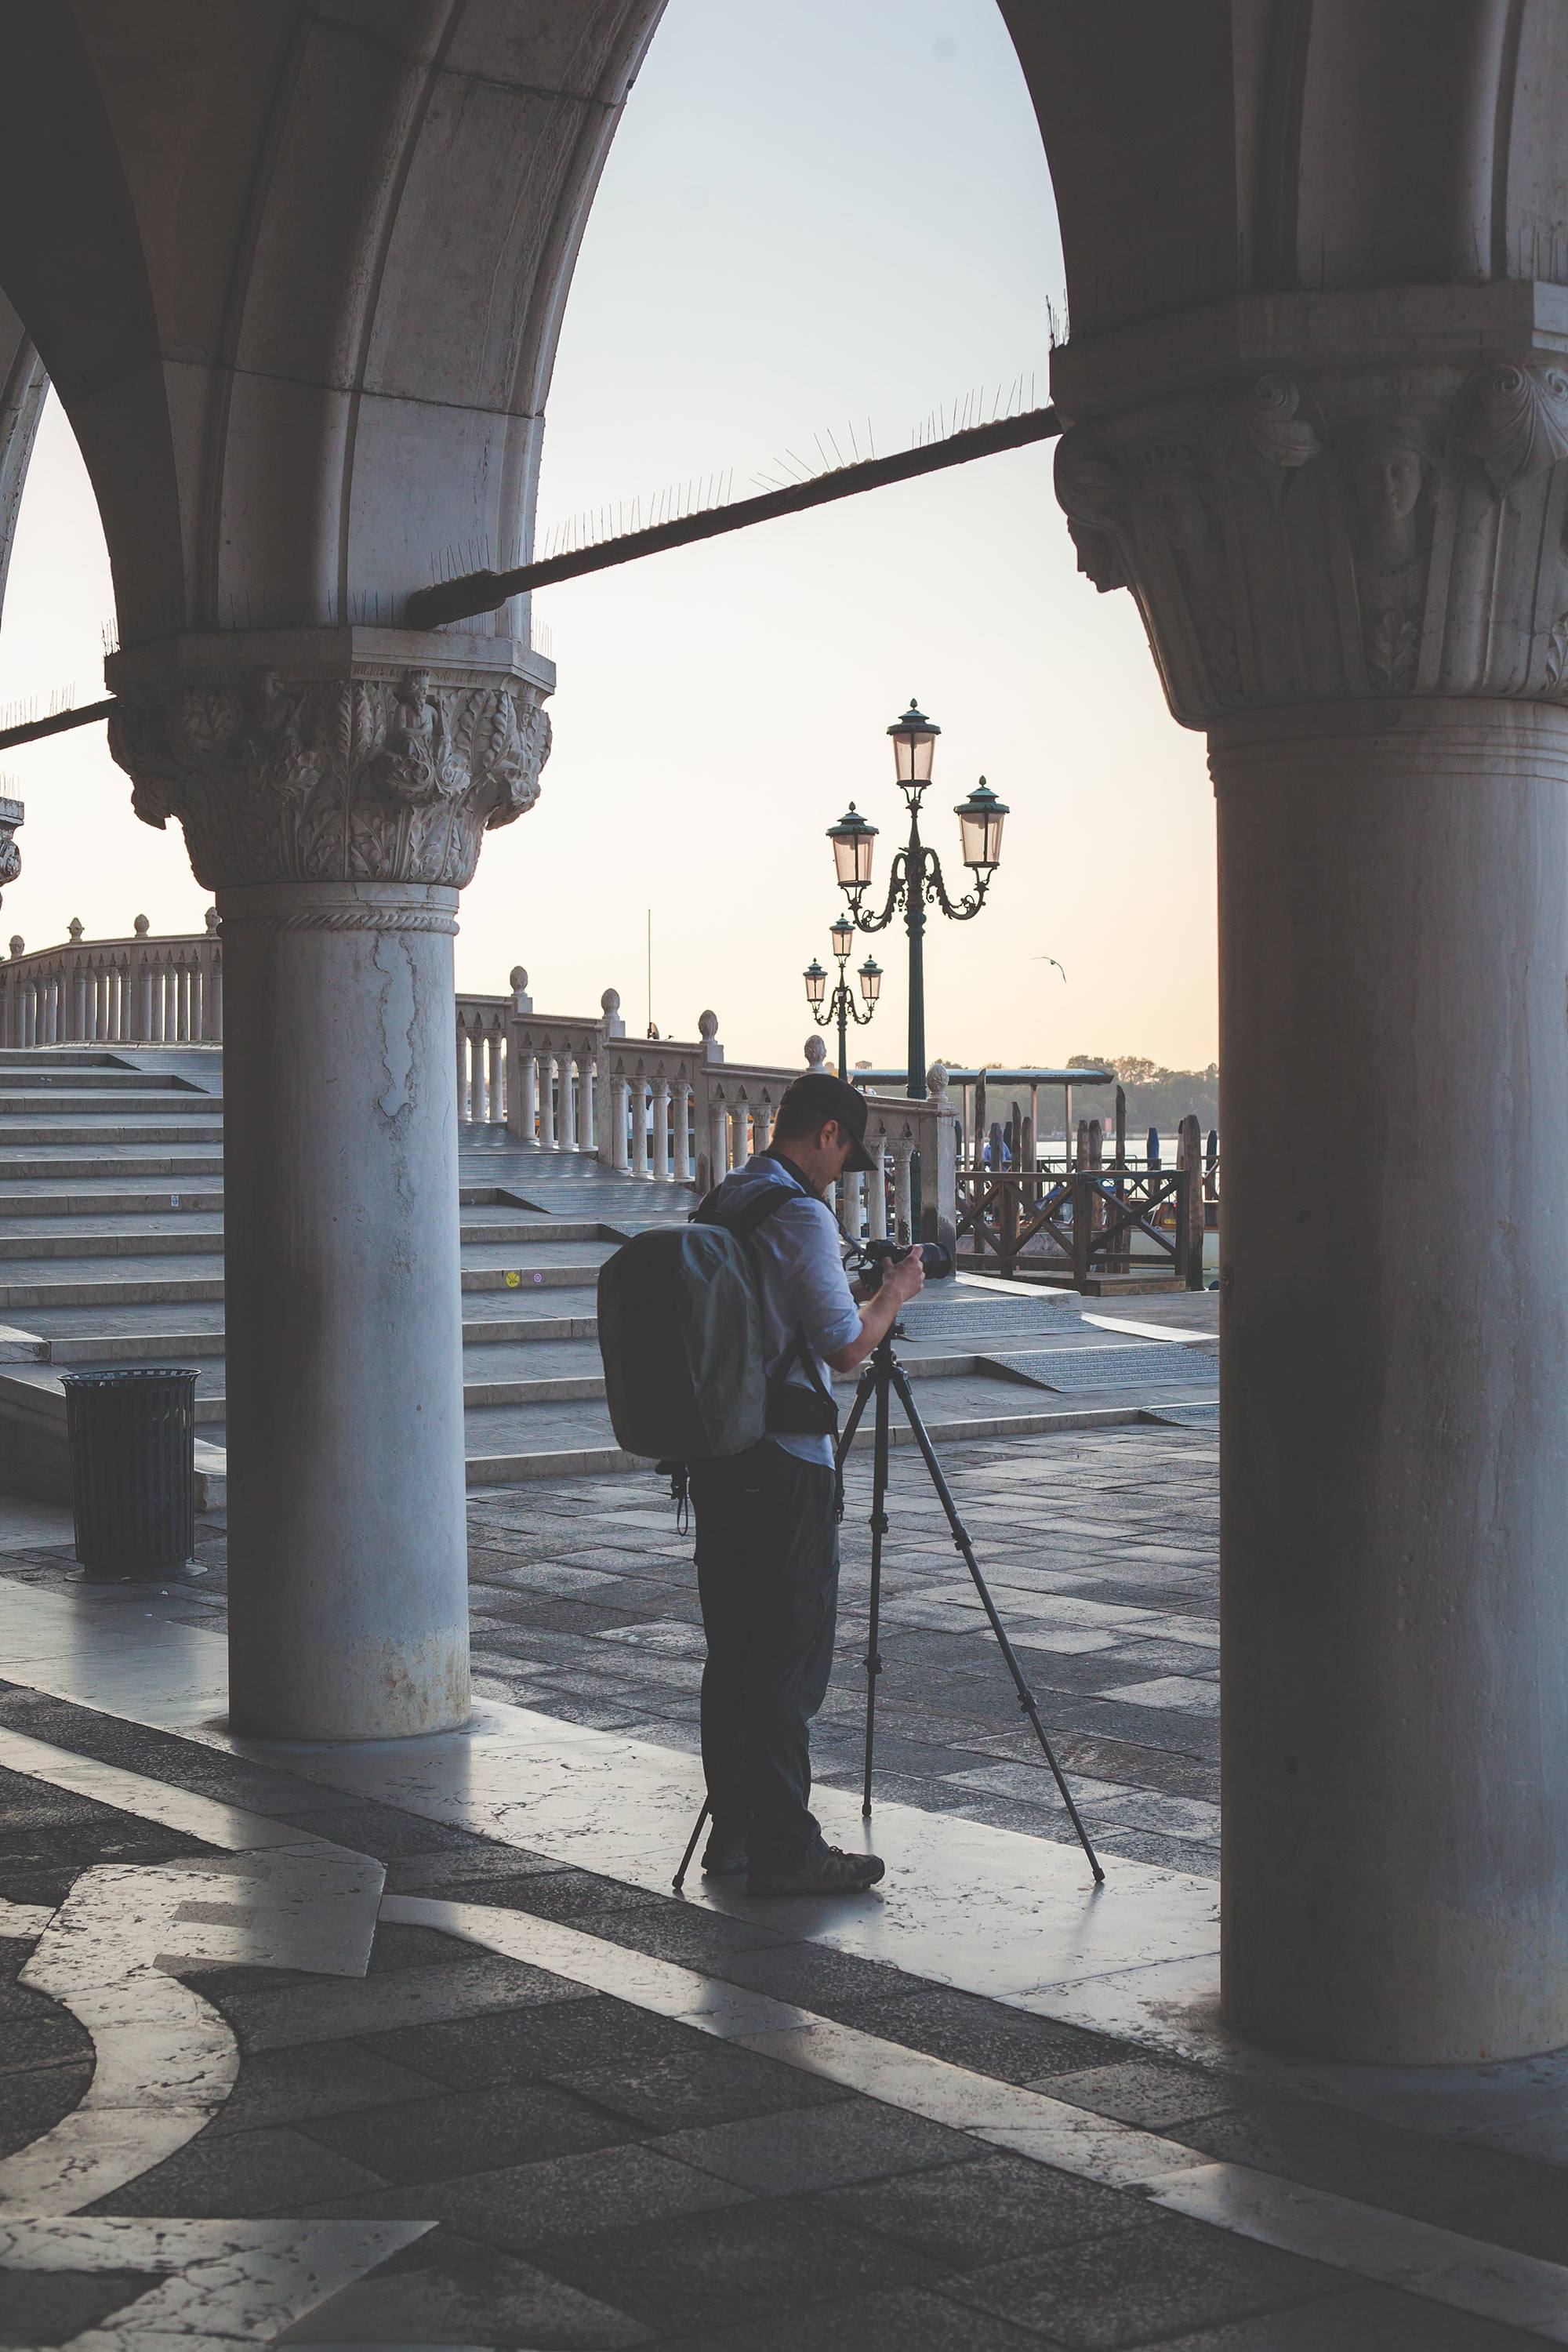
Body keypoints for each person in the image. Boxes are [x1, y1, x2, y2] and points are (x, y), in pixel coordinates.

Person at [690, 1069, 925, 1896]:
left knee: (735, 1652)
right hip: (784, 1460)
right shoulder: (798, 1211)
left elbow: (776, 1313)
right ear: (826, 1134)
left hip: (717, 1453)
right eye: (843, 1154)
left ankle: (734, 1835)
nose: (840, 1171)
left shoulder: (729, 1199)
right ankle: (788, 1845)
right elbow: (843, 1349)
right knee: (786, 1655)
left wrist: (857, 1294)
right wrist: (891, 1295)